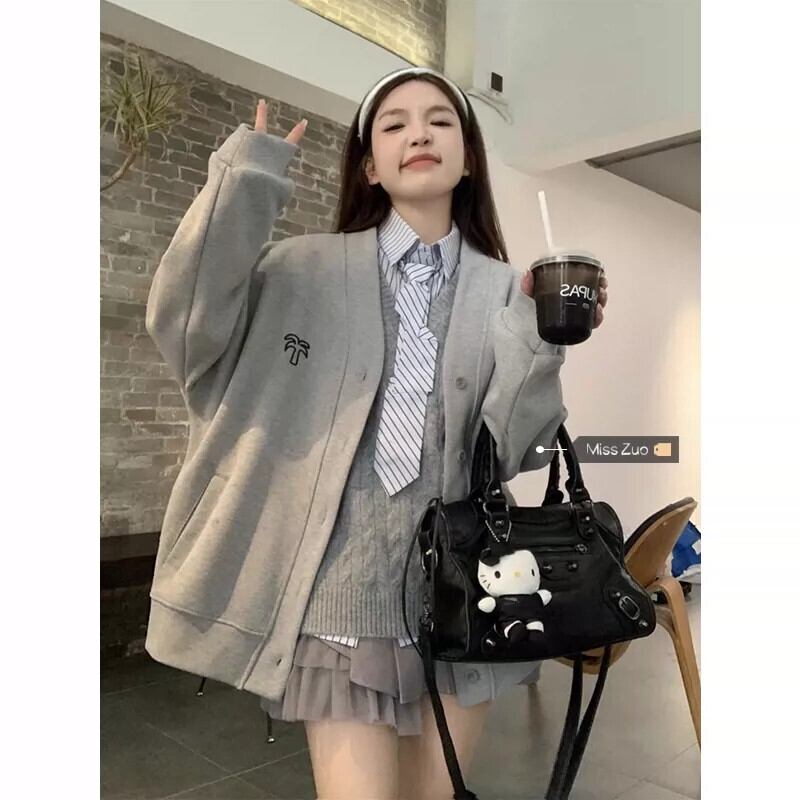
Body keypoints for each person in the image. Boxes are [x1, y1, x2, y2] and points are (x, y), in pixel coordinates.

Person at [143, 66, 609, 800]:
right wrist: (245, 184)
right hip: (338, 599)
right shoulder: (301, 269)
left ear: (468, 157)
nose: (418, 133)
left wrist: (541, 341)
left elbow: (513, 452)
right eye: (394, 124)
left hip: (461, 597)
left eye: (440, 121)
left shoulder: (506, 289)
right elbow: (186, 330)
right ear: (369, 166)